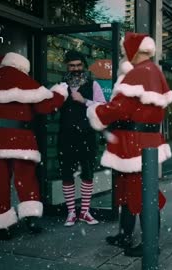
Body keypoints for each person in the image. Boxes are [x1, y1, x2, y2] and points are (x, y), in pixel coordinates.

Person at [0, 52, 68, 240]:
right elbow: (45, 107)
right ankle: (31, 219)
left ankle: (3, 226)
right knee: (26, 180)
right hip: (22, 139)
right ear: (22, 67)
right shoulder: (26, 81)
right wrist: (60, 92)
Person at [86, 32, 172, 257]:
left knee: (141, 194)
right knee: (129, 191)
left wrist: (96, 111)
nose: (125, 57)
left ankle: (150, 244)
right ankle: (125, 235)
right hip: (141, 141)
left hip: (134, 144)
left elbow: (120, 108)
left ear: (134, 52)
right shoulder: (153, 71)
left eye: (125, 53)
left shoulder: (139, 73)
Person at [59, 50, 106, 227]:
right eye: (72, 66)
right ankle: (71, 212)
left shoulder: (93, 85)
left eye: (79, 65)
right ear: (67, 67)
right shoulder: (61, 85)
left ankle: (85, 211)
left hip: (87, 135)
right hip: (66, 135)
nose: (76, 69)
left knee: (87, 173)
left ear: (84, 66)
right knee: (66, 173)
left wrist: (84, 100)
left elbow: (102, 107)